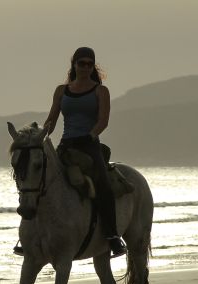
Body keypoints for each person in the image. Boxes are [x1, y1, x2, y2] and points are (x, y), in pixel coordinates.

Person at [43, 46, 126, 257]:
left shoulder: (100, 91)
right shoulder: (62, 90)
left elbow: (103, 121)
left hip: (89, 144)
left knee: (103, 185)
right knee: (42, 180)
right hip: (66, 143)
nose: (86, 68)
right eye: (82, 63)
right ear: (74, 64)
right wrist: (42, 134)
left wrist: (90, 135)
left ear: (93, 66)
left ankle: (112, 235)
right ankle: (32, 235)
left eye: (90, 64)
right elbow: (52, 118)